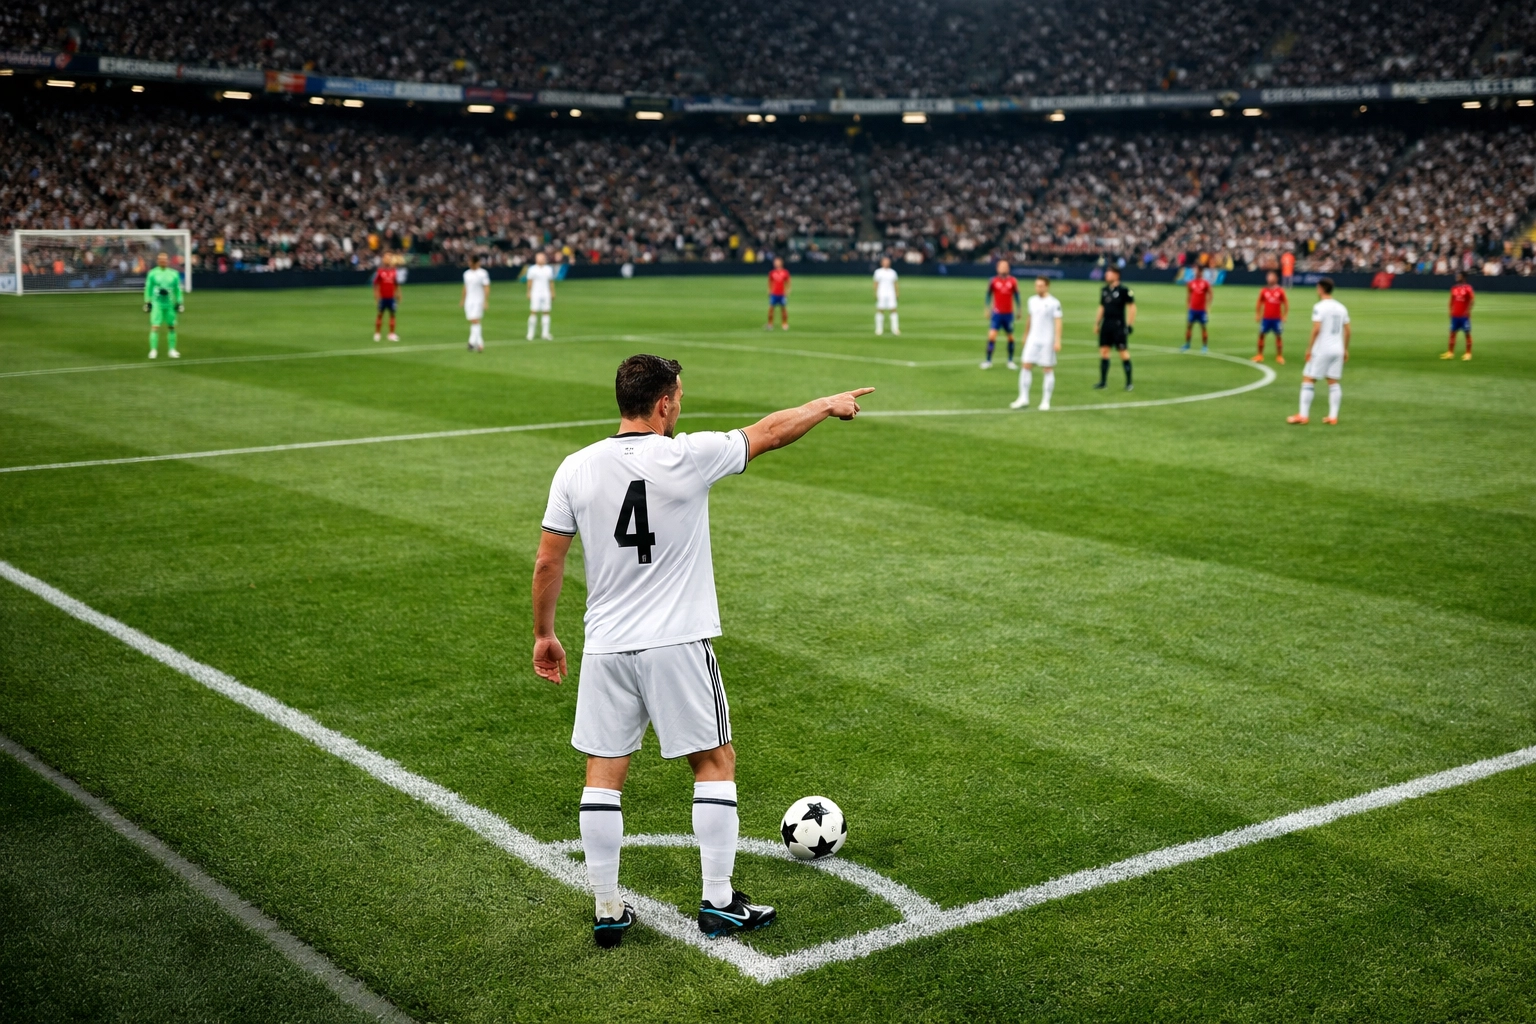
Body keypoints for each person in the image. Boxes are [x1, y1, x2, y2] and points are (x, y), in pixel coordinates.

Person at [532, 354, 874, 949]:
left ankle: (607, 907)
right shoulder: (688, 455)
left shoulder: (575, 468)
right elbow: (770, 432)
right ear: (663, 402)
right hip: (677, 641)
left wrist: (545, 634)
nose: (680, 407)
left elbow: (547, 561)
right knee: (715, 763)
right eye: (680, 398)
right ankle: (718, 903)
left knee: (603, 775)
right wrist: (825, 404)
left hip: (606, 647)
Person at [1288, 277, 1349, 425]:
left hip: (1322, 349)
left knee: (1308, 379)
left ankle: (1303, 415)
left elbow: (1316, 329)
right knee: (1333, 382)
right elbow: (1348, 331)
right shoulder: (1341, 307)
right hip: (1338, 349)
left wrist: (1309, 348)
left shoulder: (1319, 307)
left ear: (1321, 289)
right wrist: (1345, 349)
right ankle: (1333, 416)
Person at [1010, 275, 1062, 410]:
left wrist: (1057, 340)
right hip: (1033, 339)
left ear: (1047, 286)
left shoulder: (1054, 303)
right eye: (1036, 285)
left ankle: (1045, 401)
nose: (1038, 288)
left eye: (1040, 286)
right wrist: (1025, 335)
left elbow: (1058, 322)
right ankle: (1023, 398)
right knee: (1026, 365)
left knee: (1047, 368)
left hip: (1047, 340)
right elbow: (1030, 318)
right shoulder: (1032, 300)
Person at [1093, 266, 1136, 391]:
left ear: (1116, 275)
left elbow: (1132, 307)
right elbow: (1102, 307)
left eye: (1109, 273)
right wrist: (1097, 323)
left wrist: (1129, 325)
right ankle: (1103, 382)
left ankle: (1129, 383)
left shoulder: (1124, 290)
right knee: (1104, 352)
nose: (1106, 275)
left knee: (1123, 352)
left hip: (1118, 325)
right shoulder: (1104, 290)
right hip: (1106, 325)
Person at [980, 259, 1020, 369]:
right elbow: (988, 295)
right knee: (992, 336)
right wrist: (987, 308)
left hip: (1008, 314)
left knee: (1011, 338)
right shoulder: (993, 281)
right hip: (997, 314)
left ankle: (1010, 361)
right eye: (1001, 266)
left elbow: (1017, 295)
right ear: (997, 268)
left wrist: (1019, 309)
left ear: (1008, 268)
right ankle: (988, 361)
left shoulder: (1013, 281)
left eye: (1005, 266)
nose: (1003, 268)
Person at [143, 251, 183, 359]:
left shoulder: (173, 274)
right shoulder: (153, 273)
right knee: (155, 327)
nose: (163, 261)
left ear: (167, 261)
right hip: (157, 304)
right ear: (158, 261)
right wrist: (147, 301)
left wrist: (179, 302)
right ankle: (153, 350)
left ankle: (172, 350)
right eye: (161, 259)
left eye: (164, 259)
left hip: (169, 304)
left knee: (172, 327)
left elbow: (177, 289)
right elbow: (148, 288)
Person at [1254, 270, 1289, 364]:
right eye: (1268, 277)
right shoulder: (1263, 290)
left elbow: (1286, 303)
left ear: (1276, 278)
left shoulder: (1280, 290)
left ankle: (1279, 356)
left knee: (1278, 336)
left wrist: (1285, 315)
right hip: (1266, 318)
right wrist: (1257, 314)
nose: (1270, 278)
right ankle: (1260, 355)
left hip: (1277, 319)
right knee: (1261, 335)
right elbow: (1259, 303)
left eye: (1272, 276)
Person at [462, 254, 491, 352]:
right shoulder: (466, 274)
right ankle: (475, 343)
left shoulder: (483, 273)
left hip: (478, 300)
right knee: (472, 321)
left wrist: (485, 300)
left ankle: (475, 343)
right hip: (469, 301)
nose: (469, 263)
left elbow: (486, 287)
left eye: (470, 261)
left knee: (475, 320)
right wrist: (463, 299)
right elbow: (465, 287)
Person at [1443, 272, 1474, 360]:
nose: (1457, 277)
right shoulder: (1454, 288)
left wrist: (1468, 310)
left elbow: (1472, 300)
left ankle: (1468, 353)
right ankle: (1450, 353)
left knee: (1467, 334)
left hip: (1464, 317)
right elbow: (1451, 301)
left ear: (1463, 277)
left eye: (1459, 276)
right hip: (1455, 316)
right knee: (1452, 333)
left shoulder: (1468, 288)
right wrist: (1450, 311)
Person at [526, 252, 556, 341]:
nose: (541, 259)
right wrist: (529, 292)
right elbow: (529, 281)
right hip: (535, 293)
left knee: (546, 312)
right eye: (539, 258)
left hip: (546, 293)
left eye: (543, 258)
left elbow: (551, 281)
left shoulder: (548, 269)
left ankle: (545, 333)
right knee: (533, 312)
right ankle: (530, 333)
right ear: (536, 259)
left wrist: (552, 292)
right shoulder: (532, 269)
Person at [1181, 271, 1212, 353]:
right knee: (1189, 326)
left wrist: (1208, 307)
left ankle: (1204, 347)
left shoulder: (1205, 283)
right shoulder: (1191, 283)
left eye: (1199, 272)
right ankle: (1187, 345)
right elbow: (1189, 295)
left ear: (1201, 273)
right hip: (1193, 310)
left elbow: (1210, 294)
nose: (1197, 273)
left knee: (1203, 327)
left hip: (1202, 310)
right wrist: (1188, 305)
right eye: (1196, 272)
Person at [372, 255, 400, 342]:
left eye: (389, 259)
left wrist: (398, 294)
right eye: (386, 259)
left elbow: (396, 284)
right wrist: (376, 296)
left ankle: (391, 334)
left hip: (391, 298)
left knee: (392, 315)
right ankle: (377, 333)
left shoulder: (393, 271)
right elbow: (375, 284)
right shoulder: (380, 272)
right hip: (383, 298)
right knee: (380, 315)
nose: (388, 261)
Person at [873, 256, 900, 335]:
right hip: (881, 293)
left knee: (893, 309)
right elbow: (876, 283)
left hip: (891, 293)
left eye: (887, 261)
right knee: (880, 309)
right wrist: (875, 293)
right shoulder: (878, 272)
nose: (886, 263)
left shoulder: (893, 272)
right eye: (885, 261)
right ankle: (879, 329)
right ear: (882, 263)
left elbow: (895, 283)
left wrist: (897, 292)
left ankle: (895, 329)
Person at [766, 257, 791, 330]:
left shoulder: (785, 272)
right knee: (771, 308)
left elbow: (788, 282)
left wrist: (788, 290)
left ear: (781, 263)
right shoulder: (772, 272)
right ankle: (770, 324)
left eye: (777, 262)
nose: (776, 263)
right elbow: (769, 282)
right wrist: (769, 290)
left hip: (782, 294)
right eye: (775, 262)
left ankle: (784, 323)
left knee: (783, 308)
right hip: (774, 293)